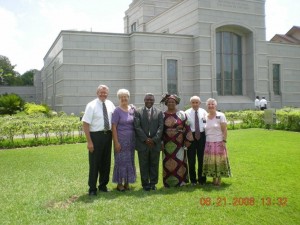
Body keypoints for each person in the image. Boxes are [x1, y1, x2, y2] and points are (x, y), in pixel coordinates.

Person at [82, 84, 115, 196]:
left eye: (105, 92)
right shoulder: (91, 105)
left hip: (108, 136)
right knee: (95, 163)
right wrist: (89, 142)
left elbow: (115, 118)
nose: (103, 94)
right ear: (97, 93)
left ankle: (103, 185)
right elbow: (85, 124)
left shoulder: (110, 104)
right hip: (96, 136)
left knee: (106, 162)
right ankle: (92, 188)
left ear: (107, 93)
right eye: (101, 92)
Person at [160, 94, 193, 187]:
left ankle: (181, 182)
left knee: (179, 161)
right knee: (167, 162)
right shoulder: (162, 115)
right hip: (166, 144)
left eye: (173, 102)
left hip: (179, 143)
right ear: (166, 103)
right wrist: (161, 142)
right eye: (169, 102)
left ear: (176, 103)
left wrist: (188, 140)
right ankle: (168, 183)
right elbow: (160, 130)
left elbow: (187, 126)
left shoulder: (182, 114)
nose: (171, 103)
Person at [134, 93, 164, 191]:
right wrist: (145, 139)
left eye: (151, 100)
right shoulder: (138, 112)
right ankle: (145, 184)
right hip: (143, 143)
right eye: (147, 99)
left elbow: (161, 127)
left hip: (155, 144)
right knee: (143, 164)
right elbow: (137, 127)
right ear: (144, 100)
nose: (149, 101)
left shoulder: (159, 112)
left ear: (154, 101)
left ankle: (153, 184)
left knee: (154, 164)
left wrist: (154, 139)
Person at [202, 98, 231, 186]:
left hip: (218, 142)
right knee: (211, 162)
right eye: (209, 104)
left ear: (215, 105)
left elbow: (224, 130)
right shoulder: (205, 117)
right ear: (207, 106)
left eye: (212, 104)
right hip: (208, 143)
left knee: (219, 161)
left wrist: (224, 141)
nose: (211, 106)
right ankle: (213, 179)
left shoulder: (221, 115)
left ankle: (219, 180)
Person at [112, 89, 136, 191]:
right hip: (120, 141)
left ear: (128, 97)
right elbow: (113, 127)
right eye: (121, 97)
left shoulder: (132, 109)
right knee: (120, 161)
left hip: (131, 141)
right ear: (119, 99)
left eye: (125, 96)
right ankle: (119, 184)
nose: (124, 98)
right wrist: (116, 142)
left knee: (129, 161)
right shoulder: (117, 111)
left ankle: (127, 183)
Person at [185, 96, 207, 185]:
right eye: (193, 102)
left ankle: (202, 179)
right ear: (190, 103)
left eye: (196, 102)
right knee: (191, 160)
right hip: (191, 137)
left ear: (200, 103)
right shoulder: (186, 113)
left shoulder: (204, 112)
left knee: (202, 159)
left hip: (202, 136)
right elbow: (185, 127)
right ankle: (193, 180)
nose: (195, 104)